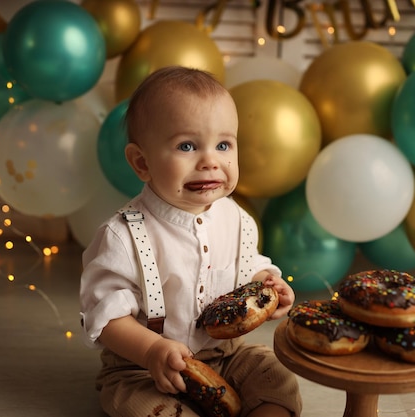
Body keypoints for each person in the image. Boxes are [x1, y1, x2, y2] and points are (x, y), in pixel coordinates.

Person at [80, 66, 302, 417]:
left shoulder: (238, 220)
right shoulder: (123, 236)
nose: (210, 161)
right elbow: (105, 318)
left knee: (276, 378)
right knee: (143, 407)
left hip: (225, 355)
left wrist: (267, 285)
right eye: (187, 146)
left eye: (224, 144)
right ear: (142, 162)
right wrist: (152, 350)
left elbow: (248, 267)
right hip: (141, 367)